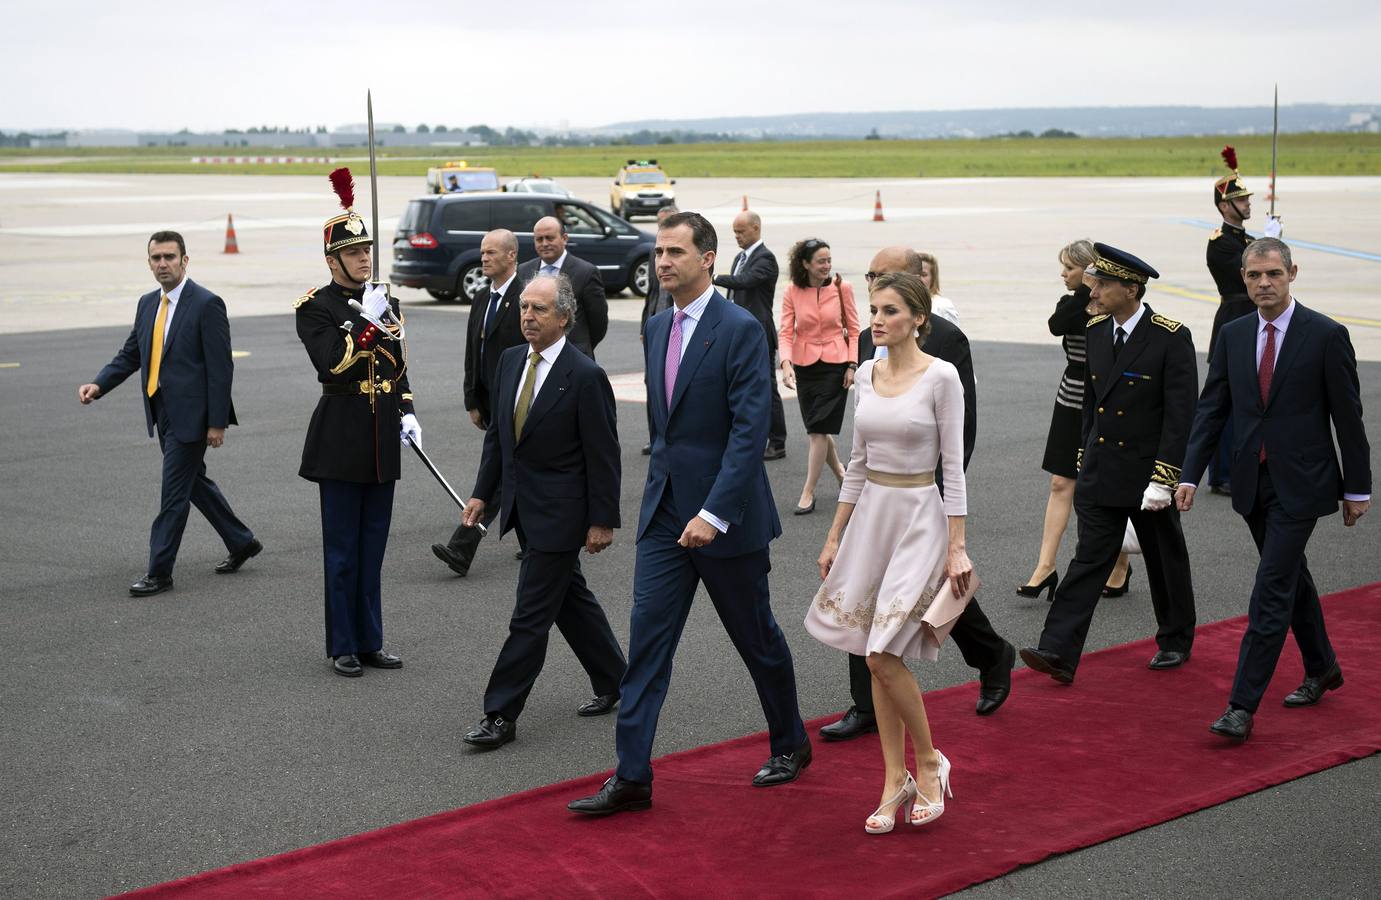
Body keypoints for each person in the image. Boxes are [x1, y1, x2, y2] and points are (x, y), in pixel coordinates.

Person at [568, 212, 808, 817]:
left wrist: (715, 512)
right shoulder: (654, 327)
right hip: (664, 517)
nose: (663, 262)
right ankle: (631, 775)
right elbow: (664, 431)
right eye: (657, 252)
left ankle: (790, 741)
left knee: (757, 640)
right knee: (647, 647)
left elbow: (750, 430)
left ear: (708, 258)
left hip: (725, 520)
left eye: (675, 251)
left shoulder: (740, 328)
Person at [1176, 238, 1371, 743]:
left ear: (1292, 274)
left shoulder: (1326, 335)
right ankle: (1323, 665)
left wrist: (1357, 489)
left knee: (1270, 589)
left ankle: (1241, 706)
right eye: (1255, 275)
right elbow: (1212, 408)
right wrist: (1190, 474)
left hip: (1304, 484)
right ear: (1243, 278)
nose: (1264, 283)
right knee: (1290, 576)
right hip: (1250, 481)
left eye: (1274, 274)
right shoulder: (1235, 334)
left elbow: (1348, 418)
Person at [820, 246, 1013, 739]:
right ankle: (865, 705)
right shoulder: (867, 343)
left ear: (912, 286)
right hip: (875, 498)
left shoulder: (948, 342)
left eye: (884, 279)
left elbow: (958, 433)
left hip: (923, 493)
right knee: (865, 601)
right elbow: (865, 435)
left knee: (933, 594)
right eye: (870, 279)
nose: (874, 292)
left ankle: (992, 657)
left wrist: (948, 509)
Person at [806, 272, 970, 833]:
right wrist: (834, 536)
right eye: (874, 310)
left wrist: (958, 546)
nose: (876, 320)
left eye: (890, 311)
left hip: (919, 518)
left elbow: (954, 467)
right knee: (874, 656)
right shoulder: (867, 376)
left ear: (918, 318)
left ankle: (929, 762)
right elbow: (855, 464)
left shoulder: (942, 376)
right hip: (872, 517)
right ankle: (891, 779)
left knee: (880, 654)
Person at [459, 274, 627, 749]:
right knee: (570, 602)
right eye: (524, 308)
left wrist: (601, 520)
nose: (527, 316)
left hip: (563, 514)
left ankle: (500, 712)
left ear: (564, 317)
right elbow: (499, 439)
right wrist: (481, 493)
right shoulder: (512, 361)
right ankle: (618, 679)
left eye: (538, 309)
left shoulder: (585, 375)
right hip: (521, 508)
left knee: (529, 615)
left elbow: (603, 453)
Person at [1020, 243, 1198, 683]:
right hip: (1101, 468)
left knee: (1163, 558)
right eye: (1092, 282)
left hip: (1146, 476)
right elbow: (1091, 404)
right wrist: (1084, 455)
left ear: (1131, 289)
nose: (1091, 290)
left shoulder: (1169, 337)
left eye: (1100, 284)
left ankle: (1175, 638)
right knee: (1088, 561)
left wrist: (1166, 477)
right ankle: (1057, 650)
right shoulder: (1097, 330)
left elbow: (1181, 416)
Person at [78, 230, 260, 597]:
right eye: (156, 258)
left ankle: (159, 572)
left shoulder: (207, 304)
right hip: (161, 412)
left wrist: (216, 422)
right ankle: (241, 541)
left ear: (184, 261)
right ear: (149, 263)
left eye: (169, 257)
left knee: (173, 494)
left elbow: (220, 368)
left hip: (193, 418)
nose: (163, 264)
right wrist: (99, 384)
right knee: (193, 482)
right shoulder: (148, 304)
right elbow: (132, 353)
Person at [295, 169, 417, 677]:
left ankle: (371, 640)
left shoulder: (382, 298)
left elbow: (397, 362)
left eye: (368, 250)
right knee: (343, 551)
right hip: (341, 439)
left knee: (373, 550)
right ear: (333, 259)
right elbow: (331, 362)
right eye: (354, 253)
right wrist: (366, 323)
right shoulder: (314, 308)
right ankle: (342, 643)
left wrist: (407, 411)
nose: (365, 259)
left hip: (381, 439)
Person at [1020, 240, 1131, 600]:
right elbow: (1057, 325)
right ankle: (1045, 567)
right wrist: (1084, 291)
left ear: (1088, 269)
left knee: (1105, 484)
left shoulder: (1114, 303)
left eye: (1069, 268)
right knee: (1060, 483)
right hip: (1071, 399)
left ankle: (1119, 562)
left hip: (1107, 399)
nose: (1063, 274)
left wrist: (1094, 290)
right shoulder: (1071, 304)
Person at [432, 229, 526, 576]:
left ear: (511, 256)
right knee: (513, 472)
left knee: (498, 473)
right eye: (482, 252)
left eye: (491, 252)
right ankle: (542, 544)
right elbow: (474, 351)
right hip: (491, 401)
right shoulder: (482, 298)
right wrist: (472, 398)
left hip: (518, 402)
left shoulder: (525, 297)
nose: (484, 258)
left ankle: (462, 545)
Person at [778, 238, 859, 514]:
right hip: (804, 365)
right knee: (817, 428)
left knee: (818, 431)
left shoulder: (841, 288)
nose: (827, 265)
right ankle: (840, 472)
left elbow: (856, 330)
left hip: (836, 366)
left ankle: (808, 491)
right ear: (805, 264)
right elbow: (786, 330)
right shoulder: (792, 291)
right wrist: (786, 363)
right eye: (821, 261)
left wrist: (852, 365)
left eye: (829, 260)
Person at [1203, 146, 1258, 496]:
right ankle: (1221, 473)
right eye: (1242, 200)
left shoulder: (1249, 241)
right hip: (1233, 317)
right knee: (1226, 402)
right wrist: (1266, 242)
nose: (1249, 204)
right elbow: (1245, 274)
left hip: (1254, 319)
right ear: (1226, 206)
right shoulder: (1221, 243)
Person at [714, 210, 786, 460]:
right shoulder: (740, 257)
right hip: (737, 331)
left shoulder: (766, 259)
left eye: (741, 231)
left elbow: (744, 281)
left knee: (766, 386)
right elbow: (734, 293)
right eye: (734, 231)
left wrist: (714, 278)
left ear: (756, 228)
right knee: (737, 384)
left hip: (759, 331)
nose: (737, 236)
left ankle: (777, 442)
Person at [517, 216, 608, 359]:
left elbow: (599, 323)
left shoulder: (586, 272)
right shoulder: (523, 270)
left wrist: (581, 346)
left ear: (564, 238)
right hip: (535, 357)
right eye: (539, 239)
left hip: (575, 356)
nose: (544, 243)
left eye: (550, 238)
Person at [639, 204, 679, 455]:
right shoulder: (656, 254)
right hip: (655, 326)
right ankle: (655, 437)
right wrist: (646, 324)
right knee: (651, 382)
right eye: (660, 223)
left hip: (675, 327)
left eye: (668, 222)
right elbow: (651, 294)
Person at [916, 252, 960, 325]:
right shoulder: (900, 303)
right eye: (914, 273)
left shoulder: (943, 306)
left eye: (923, 274)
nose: (918, 278)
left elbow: (954, 335)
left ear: (933, 279)